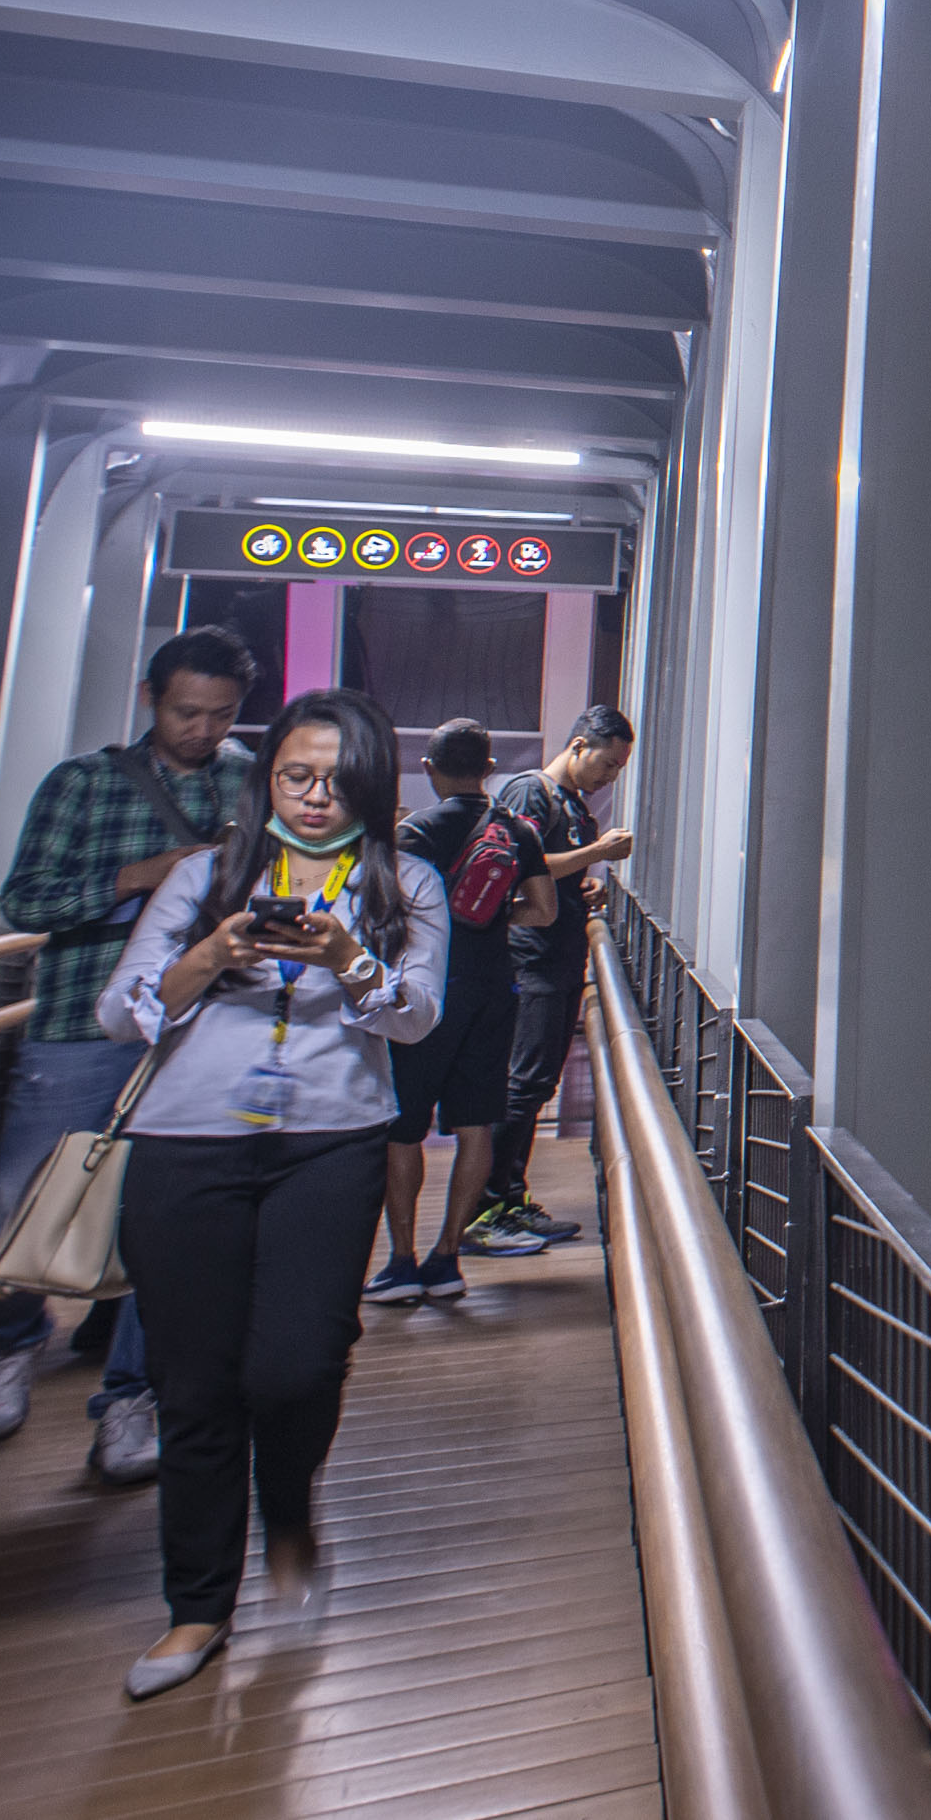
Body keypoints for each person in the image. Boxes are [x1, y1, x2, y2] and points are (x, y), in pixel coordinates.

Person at [100, 688, 447, 1700]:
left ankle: (288, 1512)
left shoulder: (406, 883)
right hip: (186, 1141)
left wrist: (349, 961)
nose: (311, 795)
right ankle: (197, 1607)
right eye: (294, 775)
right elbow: (120, 1011)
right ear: (268, 780)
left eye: (336, 779)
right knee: (195, 1384)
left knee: (296, 1366)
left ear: (371, 786)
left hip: (331, 1144)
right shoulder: (209, 876)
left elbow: (418, 1018)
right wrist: (211, 954)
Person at [0, 626, 261, 1479]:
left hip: (198, 1030)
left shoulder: (251, 784)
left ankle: (131, 1396)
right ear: (150, 700)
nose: (203, 730)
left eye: (221, 716)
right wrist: (142, 876)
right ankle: (12, 1344)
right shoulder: (85, 784)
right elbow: (24, 901)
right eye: (186, 712)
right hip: (80, 1025)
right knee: (21, 1201)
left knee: (161, 1222)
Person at [368, 723, 542, 1301]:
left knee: (404, 1129)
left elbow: (385, 910)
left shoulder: (415, 832)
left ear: (428, 766)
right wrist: (492, 919)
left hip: (433, 990)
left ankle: (400, 1261)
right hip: (496, 987)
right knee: (475, 1128)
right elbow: (541, 910)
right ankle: (447, 1260)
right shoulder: (517, 830)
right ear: (489, 767)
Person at [469, 705, 634, 1250]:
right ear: (580, 746)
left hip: (558, 957)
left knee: (536, 1083)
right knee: (522, 1084)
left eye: (617, 768)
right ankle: (487, 1208)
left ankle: (508, 1198)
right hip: (531, 957)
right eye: (607, 764)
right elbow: (522, 863)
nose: (610, 776)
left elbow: (551, 871)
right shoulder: (529, 791)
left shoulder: (571, 803)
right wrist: (597, 853)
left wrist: (585, 885)